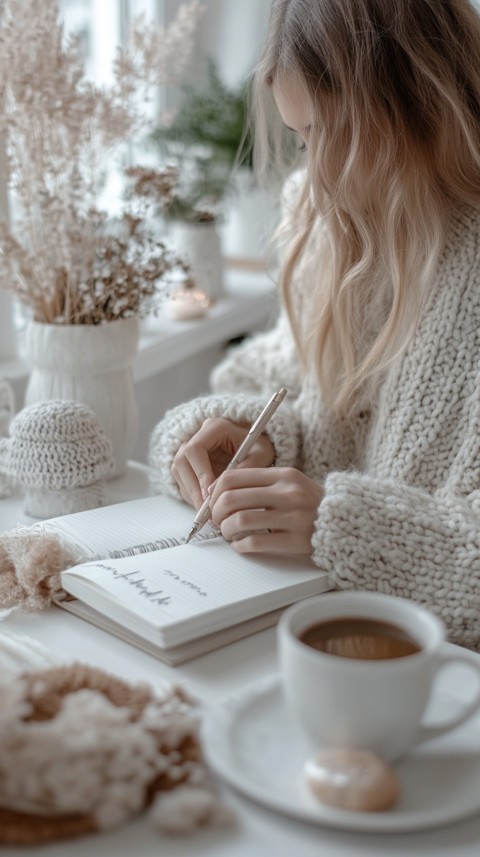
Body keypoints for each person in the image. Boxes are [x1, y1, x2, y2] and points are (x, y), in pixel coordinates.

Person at [149, 0, 480, 649]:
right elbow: (273, 377)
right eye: (302, 136)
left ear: (425, 100)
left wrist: (340, 523)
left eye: (338, 131)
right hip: (310, 635)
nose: (317, 173)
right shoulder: (326, 215)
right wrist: (253, 435)